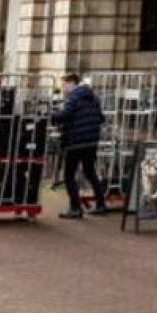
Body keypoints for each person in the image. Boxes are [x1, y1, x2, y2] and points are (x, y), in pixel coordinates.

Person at [50, 72, 108, 218]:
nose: (63, 88)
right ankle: (101, 204)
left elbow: (65, 115)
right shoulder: (93, 97)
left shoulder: (73, 98)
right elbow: (101, 117)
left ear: (71, 83)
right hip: (91, 140)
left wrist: (50, 115)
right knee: (90, 172)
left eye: (64, 85)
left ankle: (75, 208)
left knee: (69, 174)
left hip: (75, 141)